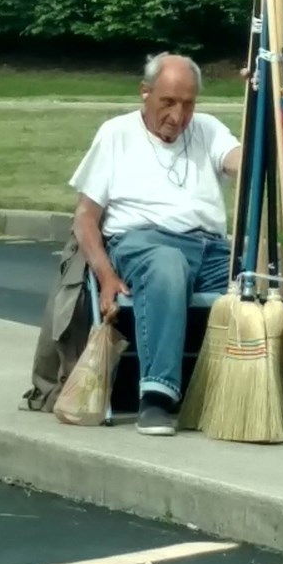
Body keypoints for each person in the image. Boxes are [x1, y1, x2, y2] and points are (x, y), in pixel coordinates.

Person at [68, 53, 242, 436]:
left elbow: (237, 160)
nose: (178, 116)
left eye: (188, 104)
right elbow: (84, 219)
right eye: (168, 102)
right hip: (143, 244)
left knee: (265, 271)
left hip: (211, 250)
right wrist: (106, 275)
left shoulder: (209, 129)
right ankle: (157, 398)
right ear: (145, 93)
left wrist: (269, 145)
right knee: (168, 264)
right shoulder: (116, 134)